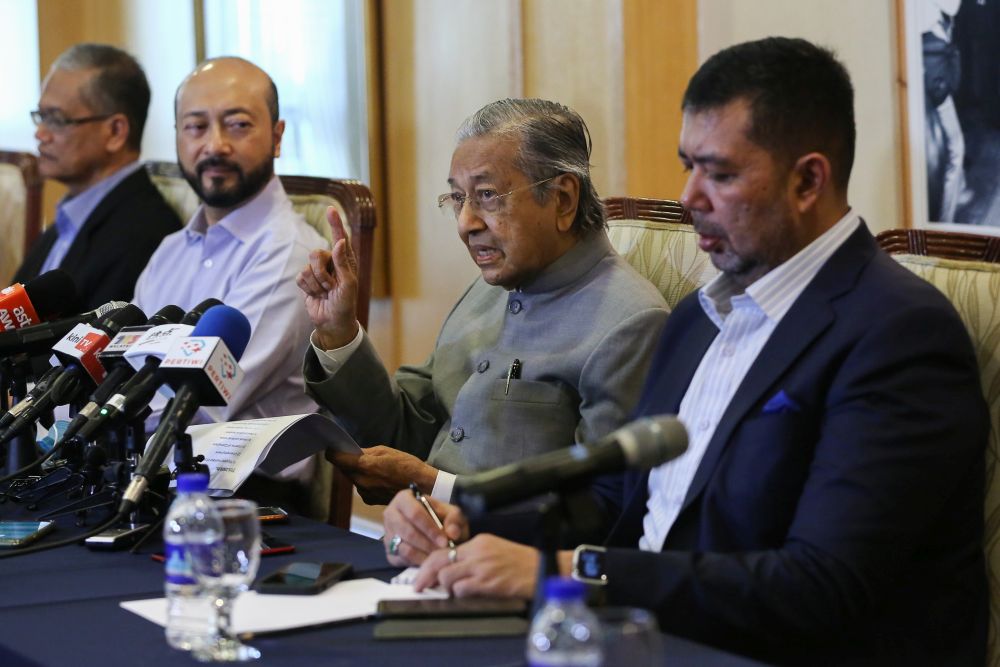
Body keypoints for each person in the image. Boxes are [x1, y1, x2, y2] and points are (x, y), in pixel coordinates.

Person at [381, 38, 989, 665]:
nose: (690, 197)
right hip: (650, 638)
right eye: (688, 166)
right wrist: (465, 523)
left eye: (720, 173)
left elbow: (819, 588)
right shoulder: (699, 319)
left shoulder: (897, 333)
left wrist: (579, 570)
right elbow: (616, 503)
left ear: (808, 179)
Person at [298, 98, 669, 504]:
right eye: (457, 198)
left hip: (522, 564)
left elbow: (605, 505)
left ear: (562, 200)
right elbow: (403, 431)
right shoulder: (488, 289)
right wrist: (339, 329)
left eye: (488, 195)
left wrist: (437, 489)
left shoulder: (630, 322)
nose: (465, 224)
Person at [133, 57, 326, 513]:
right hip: (152, 481)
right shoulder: (170, 251)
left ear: (277, 137)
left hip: (251, 505)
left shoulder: (290, 255)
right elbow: (131, 368)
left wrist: (98, 420)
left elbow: (203, 399)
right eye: (195, 128)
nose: (214, 146)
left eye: (238, 125)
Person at [15, 43, 180, 308]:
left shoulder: (144, 234)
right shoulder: (69, 219)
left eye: (57, 120)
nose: (41, 134)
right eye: (41, 117)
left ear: (115, 132)